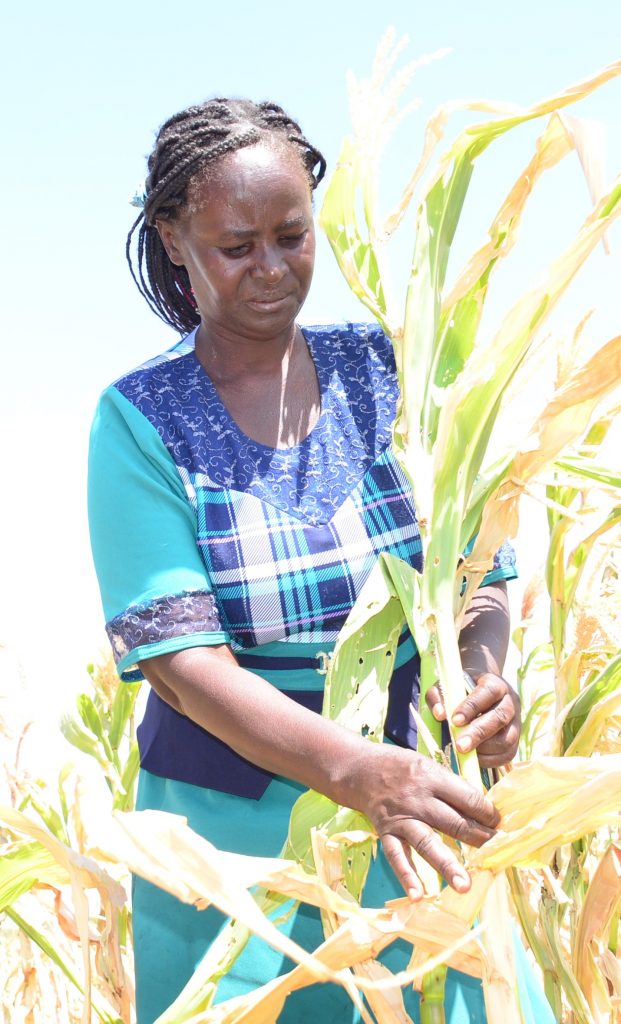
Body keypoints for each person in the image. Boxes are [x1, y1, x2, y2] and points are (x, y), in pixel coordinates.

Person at [88, 98, 552, 1024]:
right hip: (234, 840)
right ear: (174, 240)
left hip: (420, 811)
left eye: (291, 236)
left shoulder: (391, 370)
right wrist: (350, 771)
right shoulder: (138, 420)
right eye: (235, 245)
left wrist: (482, 675)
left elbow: (475, 569)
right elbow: (182, 667)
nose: (271, 268)